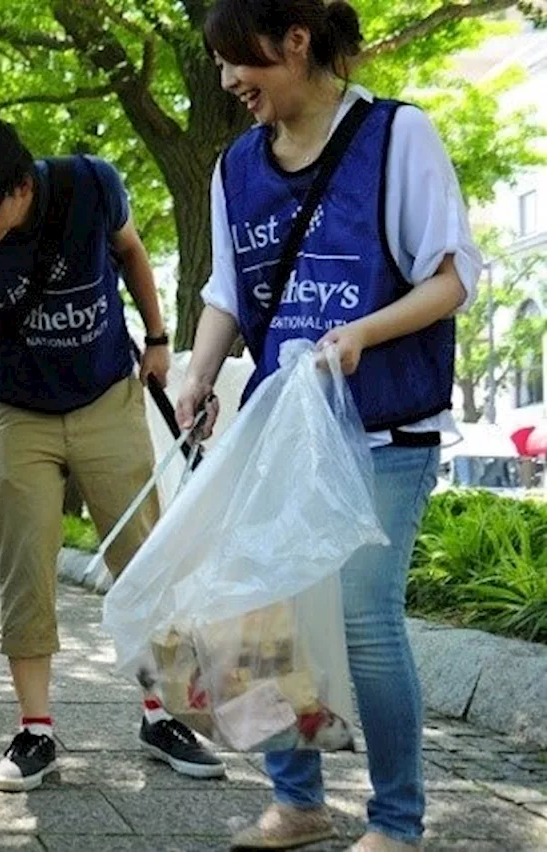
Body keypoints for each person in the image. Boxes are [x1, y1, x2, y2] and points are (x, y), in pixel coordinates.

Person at [176, 1, 480, 849]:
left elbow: (451, 279)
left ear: (297, 42)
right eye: (220, 66)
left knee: (360, 616)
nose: (230, 81)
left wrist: (361, 334)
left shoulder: (398, 136)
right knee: (257, 609)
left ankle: (397, 821)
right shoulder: (236, 167)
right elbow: (227, 294)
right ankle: (298, 798)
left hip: (384, 423)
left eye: (242, 61)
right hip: (283, 431)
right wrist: (198, 374)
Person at [0, 115, 226, 792]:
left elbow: (129, 250)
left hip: (104, 398)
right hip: (14, 411)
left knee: (141, 557)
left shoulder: (92, 185)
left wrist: (157, 336)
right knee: (24, 567)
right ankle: (35, 728)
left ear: (19, 188)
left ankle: (161, 713)